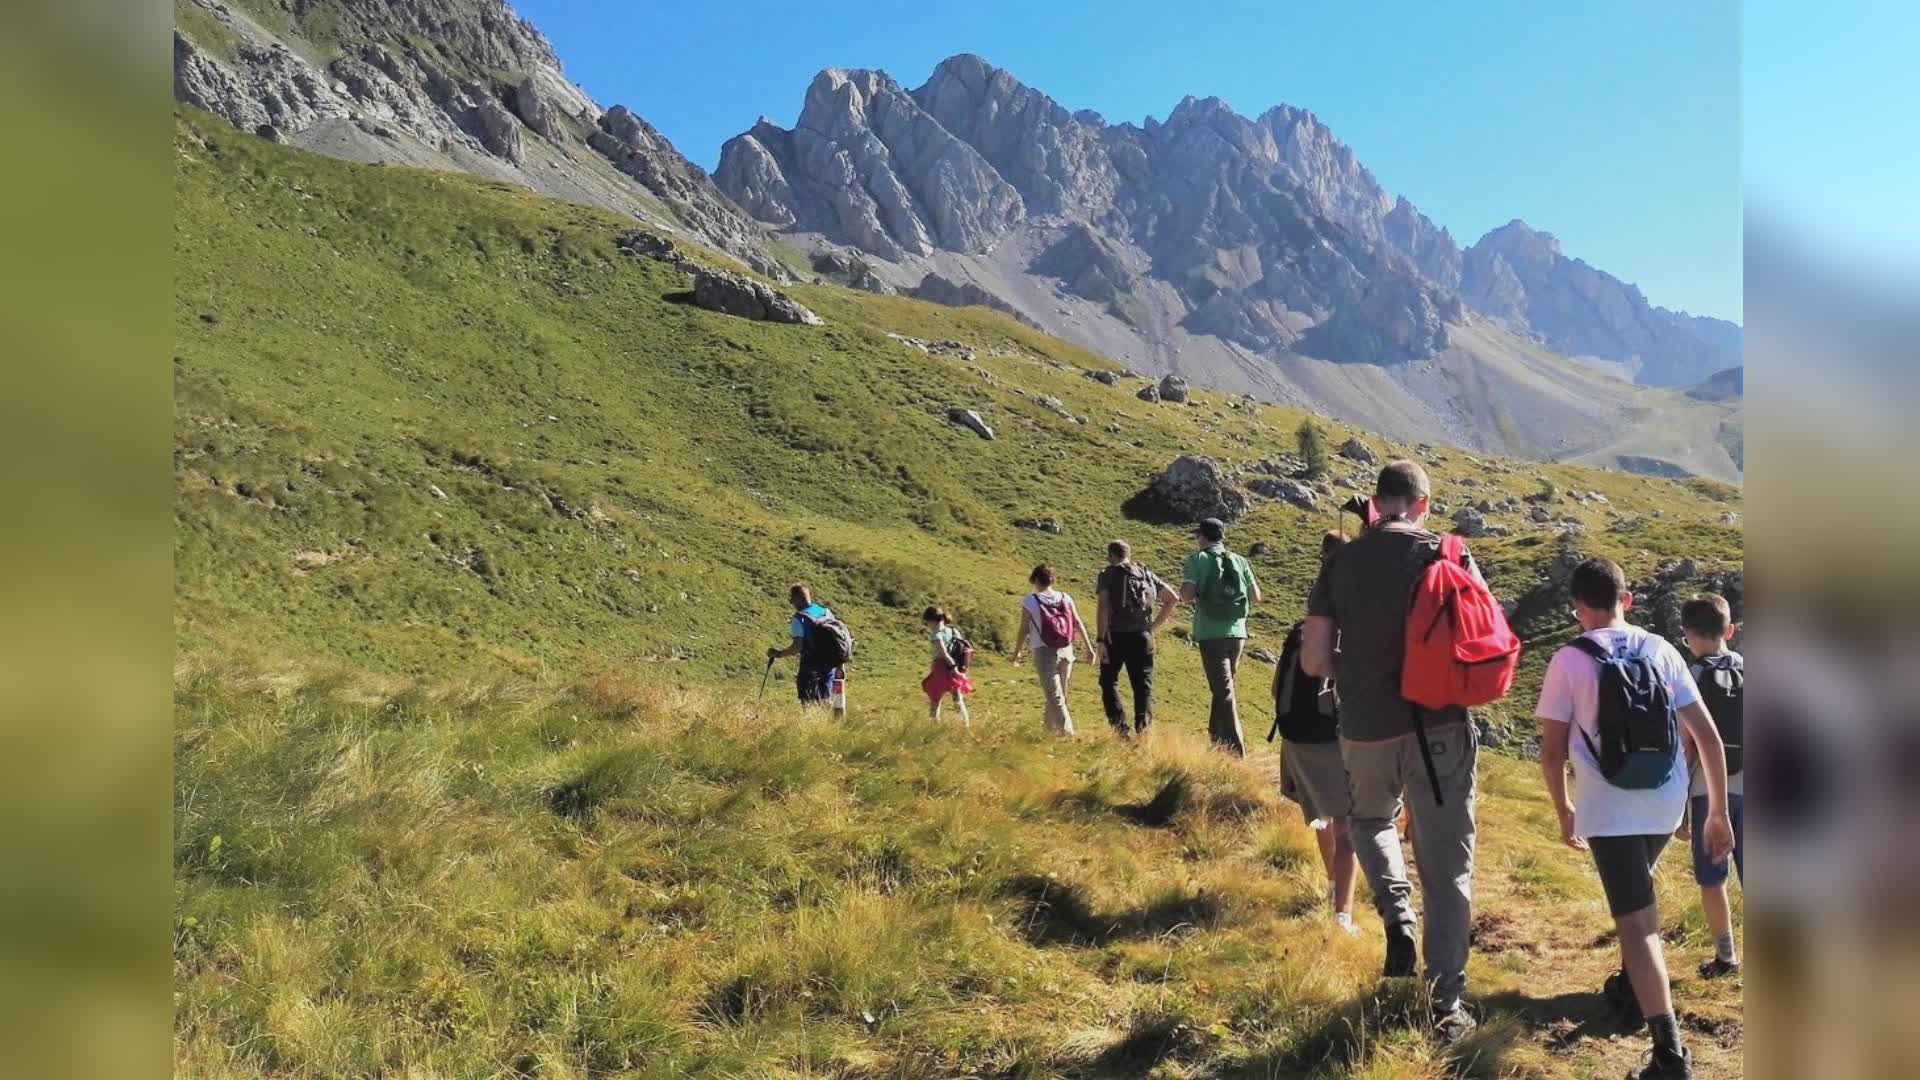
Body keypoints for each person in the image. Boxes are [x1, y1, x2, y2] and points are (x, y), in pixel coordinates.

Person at [1301, 460, 1482, 1042]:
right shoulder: (1448, 554)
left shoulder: (1341, 561)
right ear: (1423, 503)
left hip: (1366, 726)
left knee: (1369, 819)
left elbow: (1312, 661)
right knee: (1448, 867)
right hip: (1440, 729)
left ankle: (1397, 914)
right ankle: (1447, 1005)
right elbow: (1480, 640)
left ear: (1378, 502)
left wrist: (1353, 669)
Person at [1535, 559, 1734, 1080]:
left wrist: (1563, 809)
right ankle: (1630, 989)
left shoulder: (1569, 660)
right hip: (1666, 802)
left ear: (1578, 607)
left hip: (1610, 808)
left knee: (1638, 924)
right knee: (1639, 896)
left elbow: (1551, 752)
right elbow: (1709, 738)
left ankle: (1669, 1054)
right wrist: (1716, 812)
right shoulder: (1663, 650)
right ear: (1628, 600)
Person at [1275, 530, 1358, 934]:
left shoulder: (1303, 626)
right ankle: (1343, 915)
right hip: (1332, 737)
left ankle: (1331, 886)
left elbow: (1278, 687)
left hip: (1295, 736)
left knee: (1322, 819)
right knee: (1347, 826)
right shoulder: (1350, 627)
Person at [1679, 593, 1743, 980]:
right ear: (1729, 630)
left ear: (1687, 635)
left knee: (1712, 878)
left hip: (1708, 792)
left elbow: (1687, 744)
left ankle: (1726, 957)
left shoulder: (1691, 678)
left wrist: (1680, 807)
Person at [1180, 517, 1262, 755]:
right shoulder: (1239, 560)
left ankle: (1236, 751)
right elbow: (1256, 596)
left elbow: (1185, 595)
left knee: (1224, 690)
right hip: (1237, 633)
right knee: (1223, 687)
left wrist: (1196, 593)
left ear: (1201, 536)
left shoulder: (1198, 559)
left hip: (1210, 633)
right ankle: (1217, 742)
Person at [1094, 540, 1179, 739]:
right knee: (1143, 685)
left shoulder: (1108, 575)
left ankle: (1120, 729)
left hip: (1115, 636)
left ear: (1111, 555)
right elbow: (1172, 598)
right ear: (1128, 554)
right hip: (1143, 637)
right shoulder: (1145, 573)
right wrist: (1153, 627)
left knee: (1108, 681)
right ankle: (1144, 730)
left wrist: (1100, 639)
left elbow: (1103, 606)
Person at [1010, 564, 1094, 736]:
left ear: (1035, 580)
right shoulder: (1066, 598)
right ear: (1052, 580)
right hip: (1066, 650)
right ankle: (1048, 733)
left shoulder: (1030, 601)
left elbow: (1024, 628)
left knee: (1054, 696)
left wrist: (1017, 651)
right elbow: (1077, 622)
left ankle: (1068, 734)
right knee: (1059, 695)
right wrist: (1089, 648)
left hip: (1044, 651)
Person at [766, 583, 844, 716]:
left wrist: (779, 654)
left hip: (810, 665)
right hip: (830, 662)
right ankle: (828, 727)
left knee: (807, 701)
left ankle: (810, 728)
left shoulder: (799, 618)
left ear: (797, 598)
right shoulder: (826, 612)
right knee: (826, 698)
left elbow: (797, 647)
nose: (791, 602)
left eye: (791, 598)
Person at [921, 605, 974, 728]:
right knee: (957, 698)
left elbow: (944, 653)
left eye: (927, 622)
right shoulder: (953, 630)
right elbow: (962, 647)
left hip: (941, 668)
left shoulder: (937, 635)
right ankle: (965, 725)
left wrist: (953, 668)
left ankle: (934, 727)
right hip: (954, 666)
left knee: (935, 699)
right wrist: (958, 669)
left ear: (932, 621)